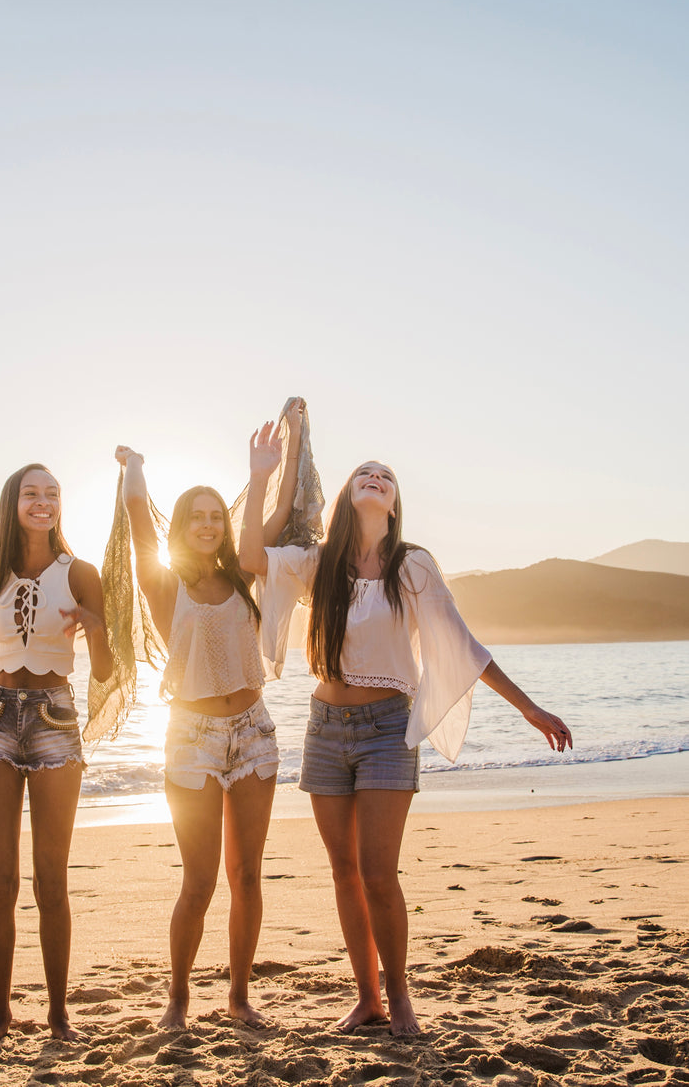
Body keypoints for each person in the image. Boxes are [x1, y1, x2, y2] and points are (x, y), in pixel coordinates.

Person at [239, 433, 573, 1036]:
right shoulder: (319, 564)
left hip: (388, 728)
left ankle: (400, 998)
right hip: (326, 727)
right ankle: (366, 998)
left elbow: (462, 644)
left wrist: (529, 707)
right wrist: (263, 474)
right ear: (347, 495)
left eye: (385, 476)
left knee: (377, 873)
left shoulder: (411, 565)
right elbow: (250, 559)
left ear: (393, 504)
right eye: (364, 472)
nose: (374, 477)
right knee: (343, 870)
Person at [112, 414, 302, 1030]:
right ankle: (178, 998)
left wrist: (269, 465)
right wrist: (135, 468)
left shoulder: (247, 574)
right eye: (197, 516)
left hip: (253, 732)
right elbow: (140, 519)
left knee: (246, 874)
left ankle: (240, 997)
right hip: (190, 739)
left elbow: (275, 514)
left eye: (216, 515)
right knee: (198, 881)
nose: (208, 524)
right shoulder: (165, 587)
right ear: (183, 527)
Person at [0, 464, 112, 1046]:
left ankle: (59, 1014)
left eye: (52, 495)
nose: (43, 503)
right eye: (31, 494)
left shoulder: (82, 573)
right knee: (0, 880)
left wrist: (95, 626)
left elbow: (111, 671)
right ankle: (0, 1013)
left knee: (51, 878)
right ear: (12, 504)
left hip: (55, 717)